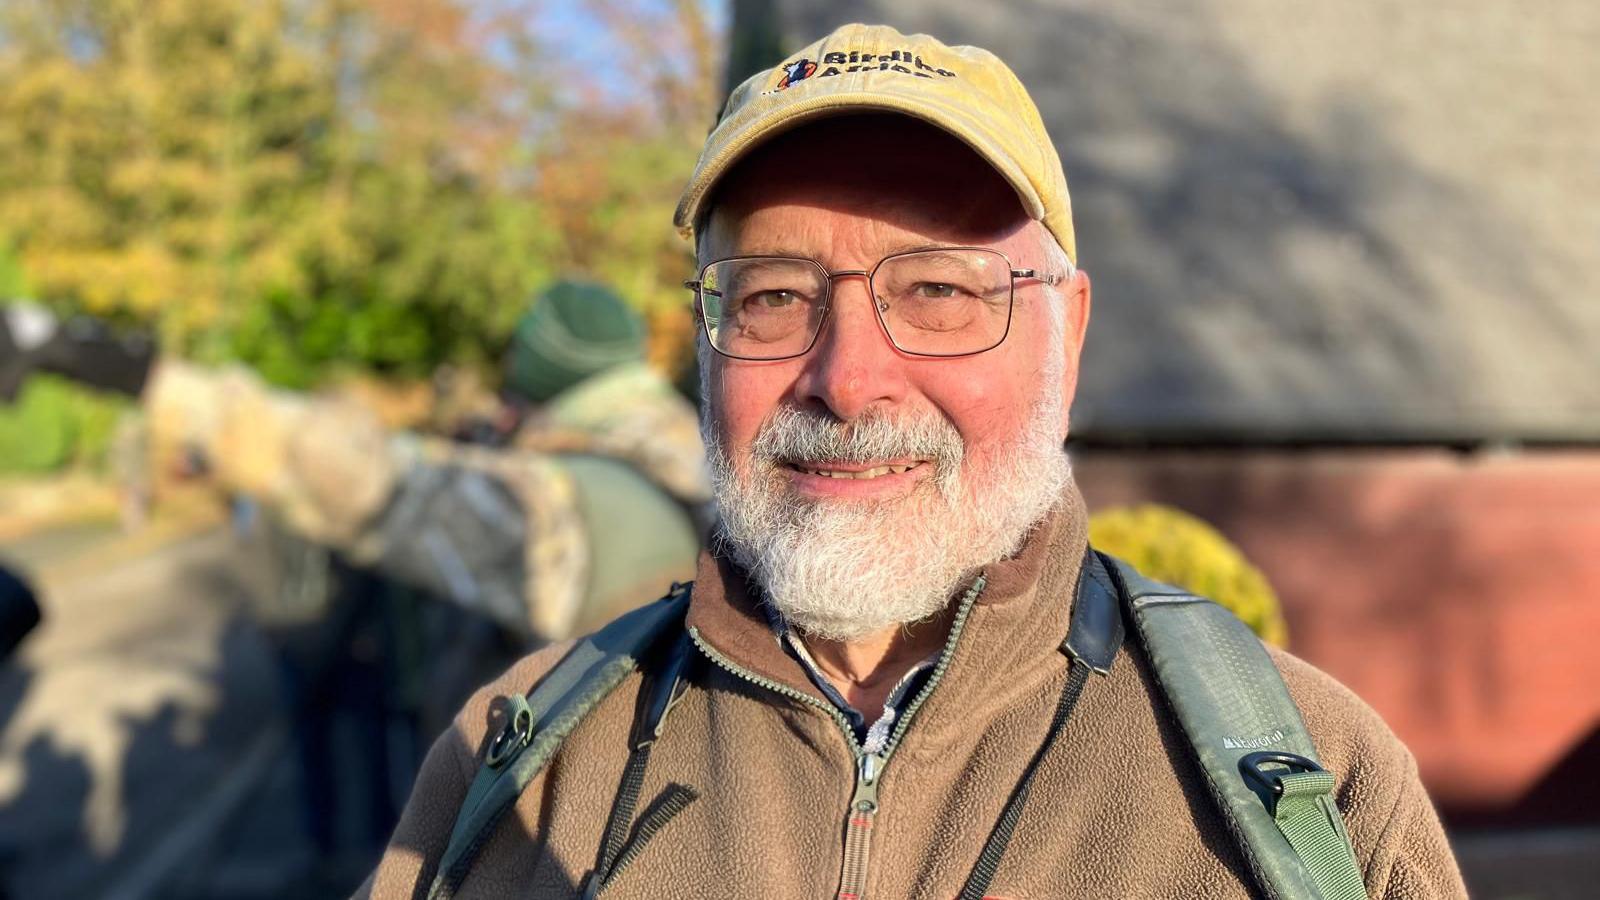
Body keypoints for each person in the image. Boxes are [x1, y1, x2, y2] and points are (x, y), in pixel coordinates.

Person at [359, 25, 1466, 899]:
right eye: (774, 295)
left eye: (938, 291)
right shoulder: (522, 764)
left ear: (1067, 334)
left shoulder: (1308, 785)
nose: (847, 379)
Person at [145, 279, 710, 644]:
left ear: (544, 366)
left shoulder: (590, 497)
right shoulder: (683, 452)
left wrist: (166, 390)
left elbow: (380, 486)